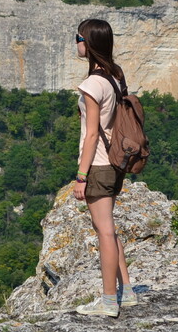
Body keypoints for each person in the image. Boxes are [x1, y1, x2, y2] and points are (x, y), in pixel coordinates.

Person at [72, 18, 138, 317]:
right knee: (107, 228)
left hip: (98, 163)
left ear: (89, 43)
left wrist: (81, 176)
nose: (76, 43)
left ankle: (109, 301)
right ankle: (127, 291)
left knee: (105, 231)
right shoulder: (115, 74)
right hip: (115, 162)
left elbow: (91, 134)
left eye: (78, 38)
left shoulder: (91, 84)